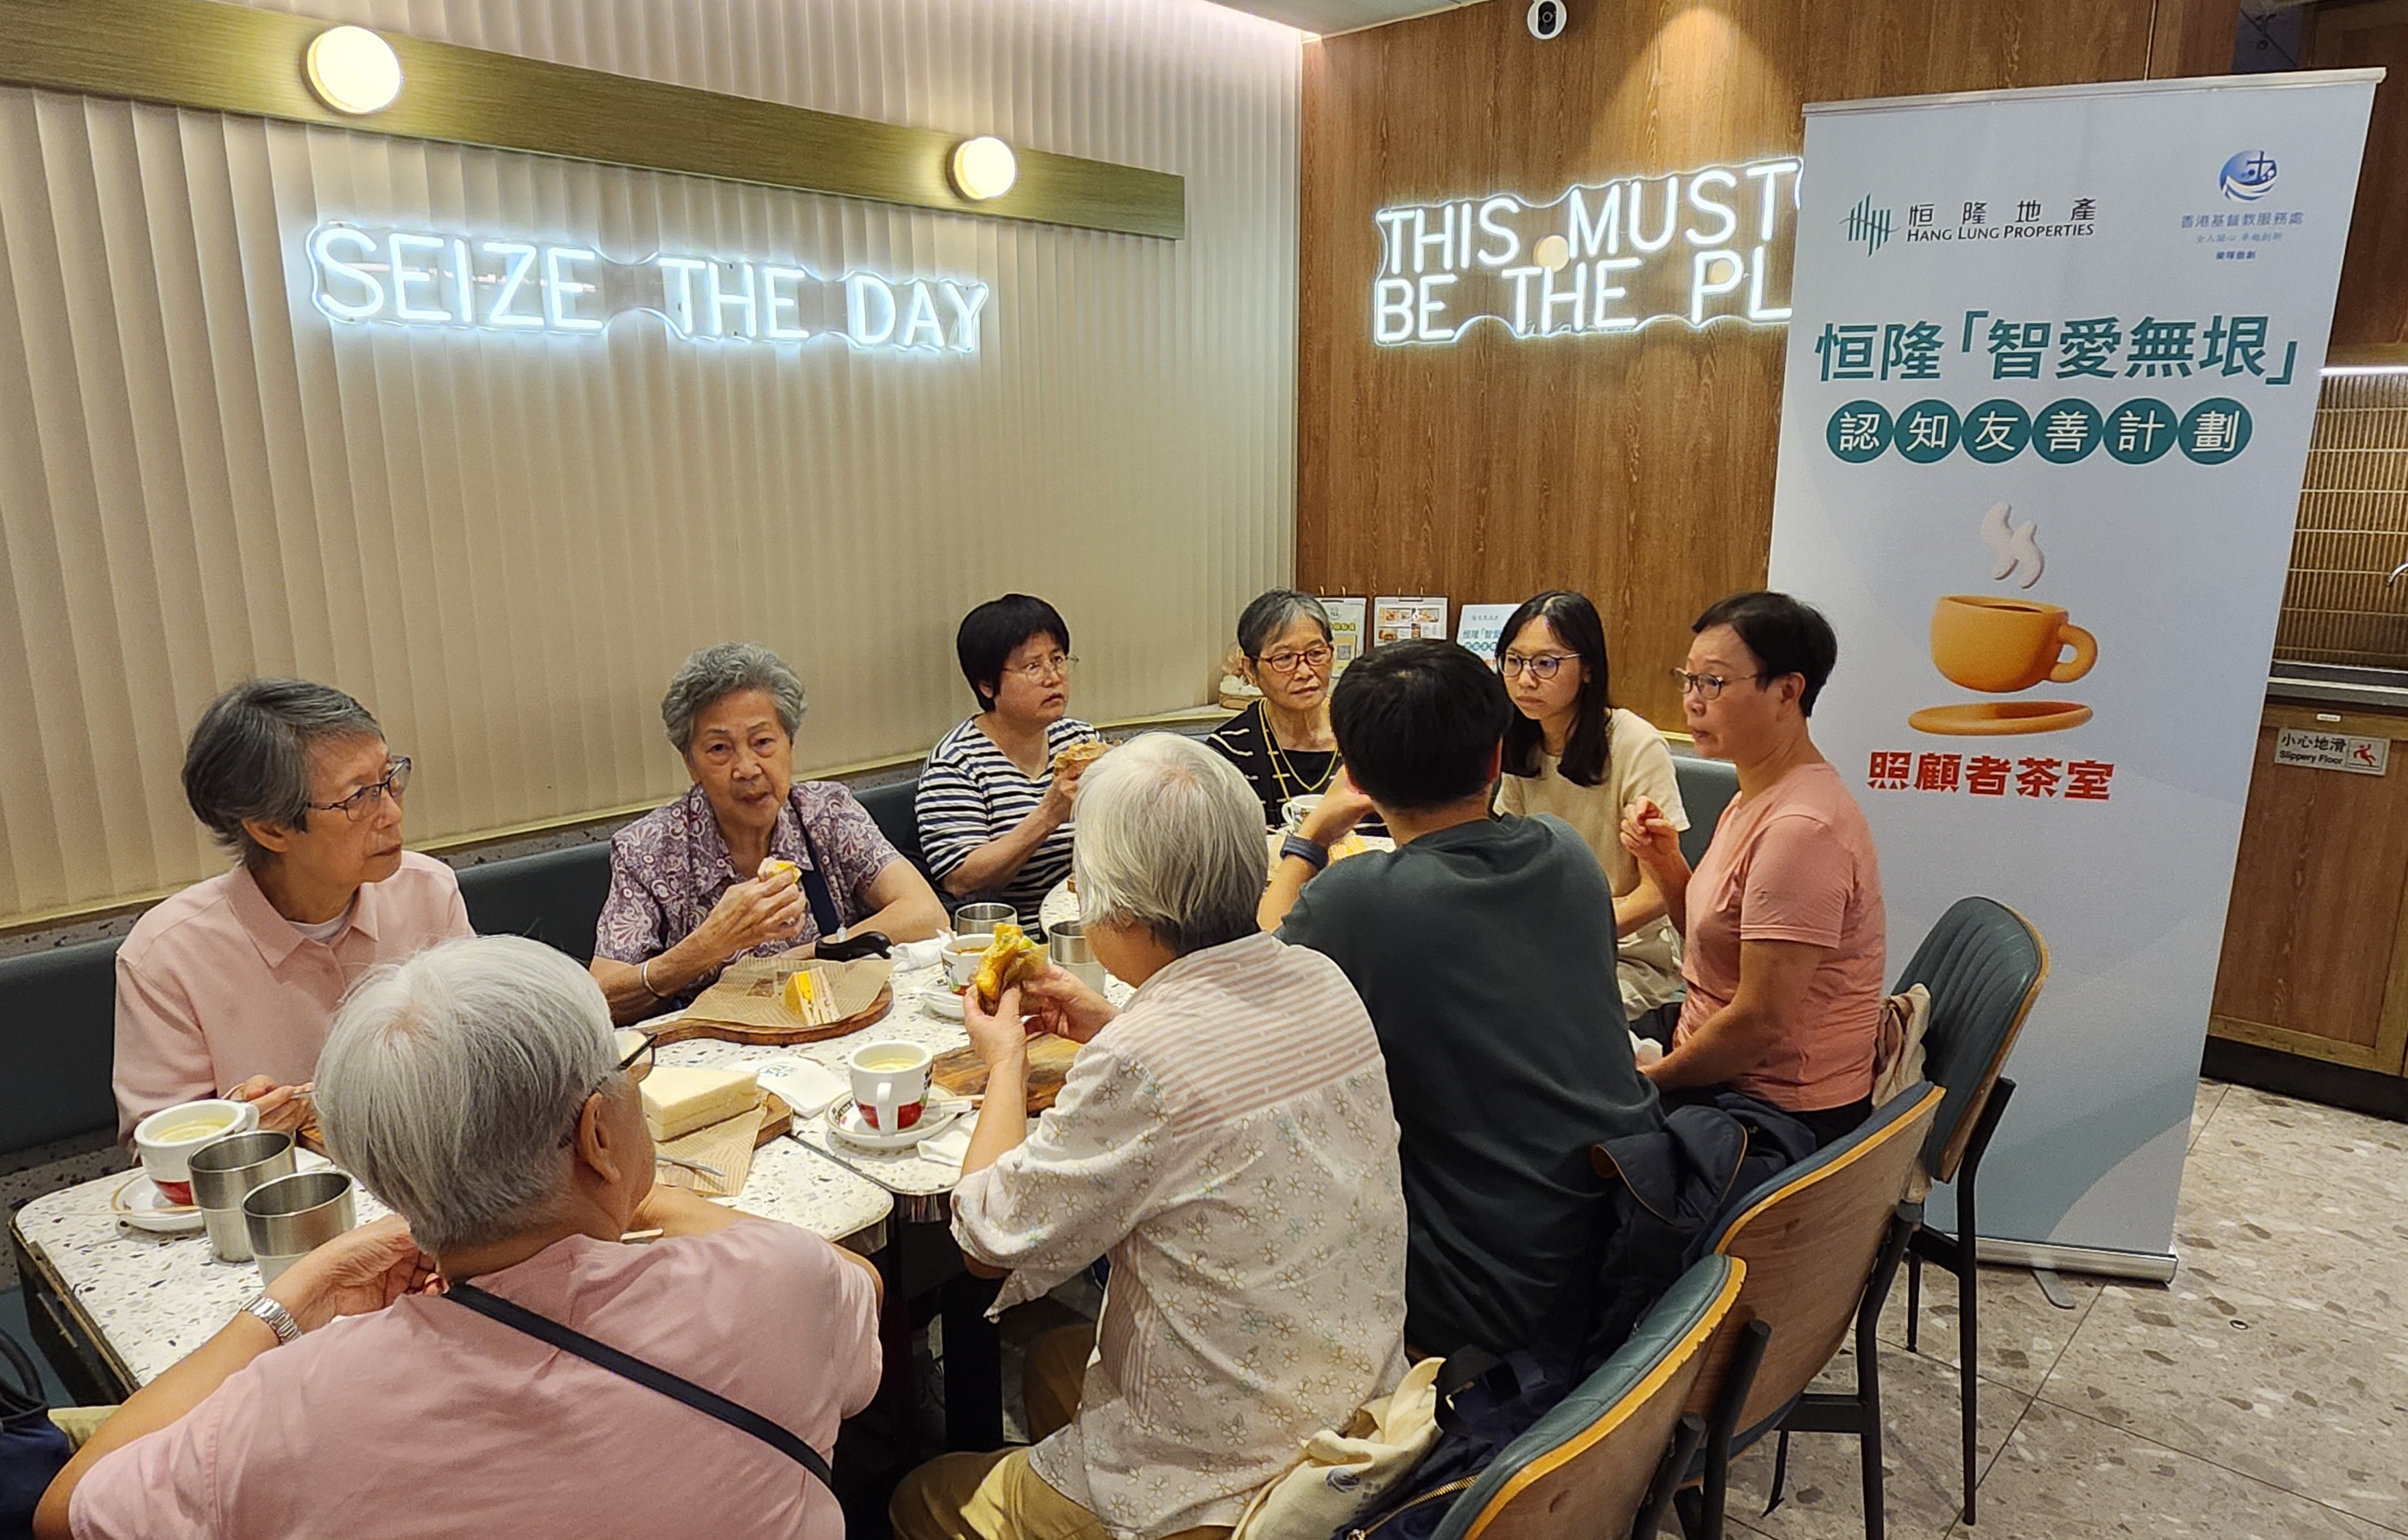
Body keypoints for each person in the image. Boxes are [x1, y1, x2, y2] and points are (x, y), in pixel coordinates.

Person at [41, 935, 883, 1540]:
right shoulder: (776, 1281)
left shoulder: (285, 1408)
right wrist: (647, 1197)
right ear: (597, 1133)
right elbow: (856, 1285)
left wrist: (296, 1293)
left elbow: (70, 1506)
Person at [892, 734, 1407, 1540]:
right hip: (1354, 1420)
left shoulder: (1145, 1059)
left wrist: (1003, 1062)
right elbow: (1214, 1073)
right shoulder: (1319, 975)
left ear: (1120, 907)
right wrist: (1116, 1020)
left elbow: (986, 1238)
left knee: (923, 1493)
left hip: (1233, 1491)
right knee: (1063, 1356)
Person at [1261, 641, 1659, 1360]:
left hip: (1484, 1297)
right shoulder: (1564, 851)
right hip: (1629, 1242)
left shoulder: (1358, 902)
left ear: (1353, 773)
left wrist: (1311, 834)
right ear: (1494, 756)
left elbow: (1251, 975)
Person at [112, 680, 470, 1140]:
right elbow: (156, 1147)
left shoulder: (428, 892)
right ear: (271, 829)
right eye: (359, 797)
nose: (392, 813)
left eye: (389, 779)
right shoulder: (166, 955)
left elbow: (474, 1060)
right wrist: (238, 1129)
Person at [1620, 592, 1886, 1150]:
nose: (1692, 702)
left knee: (1563, 1150)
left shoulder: (1802, 829)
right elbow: (1716, 942)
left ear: (1787, 691)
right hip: (1711, 1054)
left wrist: (1648, 1083)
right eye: (1688, 680)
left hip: (1771, 1108)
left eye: (1712, 684)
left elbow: (1759, 1024)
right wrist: (1665, 863)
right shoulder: (1754, 794)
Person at [592, 642, 944, 1022]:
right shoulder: (648, 850)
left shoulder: (827, 813)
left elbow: (927, 915)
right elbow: (600, 999)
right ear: (690, 764)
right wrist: (709, 945)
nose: (746, 768)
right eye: (719, 749)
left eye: (763, 742)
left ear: (790, 746)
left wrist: (800, 957)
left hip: (831, 1027)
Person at [1493, 591, 1689, 1035]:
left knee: (1531, 1027)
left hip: (1628, 956)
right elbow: (1512, 863)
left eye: (1545, 663)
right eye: (1513, 661)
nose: (1525, 679)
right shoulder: (1518, 741)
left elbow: (1660, 890)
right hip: (1546, 946)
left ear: (1587, 669)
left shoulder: (1635, 744)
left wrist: (1572, 931)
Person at [915, 595, 1102, 925]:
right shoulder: (956, 764)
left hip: (1095, 917)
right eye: (1033, 667)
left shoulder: (1080, 740)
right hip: (1018, 937)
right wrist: (1047, 816)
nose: (1053, 677)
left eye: (1057, 659)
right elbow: (961, 878)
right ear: (987, 685)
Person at [1205, 589, 1381, 836]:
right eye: (1285, 658)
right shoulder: (1230, 749)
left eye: (1316, 654)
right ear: (1250, 670)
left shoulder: (1372, 734)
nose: (1305, 672)